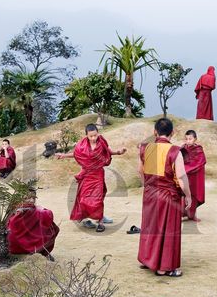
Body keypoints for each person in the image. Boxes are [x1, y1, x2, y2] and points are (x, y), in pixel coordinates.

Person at [137, 118, 192, 277]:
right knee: (167, 230)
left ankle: (148, 259)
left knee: (150, 226)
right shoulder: (175, 151)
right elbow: (181, 177)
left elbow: (140, 171)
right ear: (172, 133)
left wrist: (146, 186)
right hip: (168, 195)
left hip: (150, 193)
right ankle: (163, 267)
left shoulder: (146, 148)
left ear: (155, 132)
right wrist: (188, 196)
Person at [55, 124, 126, 232]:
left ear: (98, 133)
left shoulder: (102, 142)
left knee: (97, 199)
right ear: (86, 135)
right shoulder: (82, 145)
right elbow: (75, 154)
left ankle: (100, 222)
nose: (93, 138)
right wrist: (63, 155)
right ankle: (86, 219)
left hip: (98, 174)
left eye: (95, 135)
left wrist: (118, 152)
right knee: (84, 199)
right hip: (87, 175)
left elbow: (109, 151)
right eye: (91, 136)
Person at [6, 189, 59, 261]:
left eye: (34, 198)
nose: (32, 201)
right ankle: (41, 251)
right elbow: (14, 228)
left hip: (22, 243)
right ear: (21, 198)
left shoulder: (31, 209)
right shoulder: (17, 212)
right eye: (28, 198)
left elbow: (43, 214)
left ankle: (42, 251)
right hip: (16, 245)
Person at [181, 130, 206, 221]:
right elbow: (179, 160)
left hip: (194, 176)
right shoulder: (183, 148)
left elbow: (200, 162)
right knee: (183, 195)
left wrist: (187, 168)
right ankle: (182, 214)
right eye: (186, 139)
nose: (188, 141)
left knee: (194, 195)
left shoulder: (198, 149)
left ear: (195, 139)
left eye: (190, 139)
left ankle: (193, 215)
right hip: (185, 176)